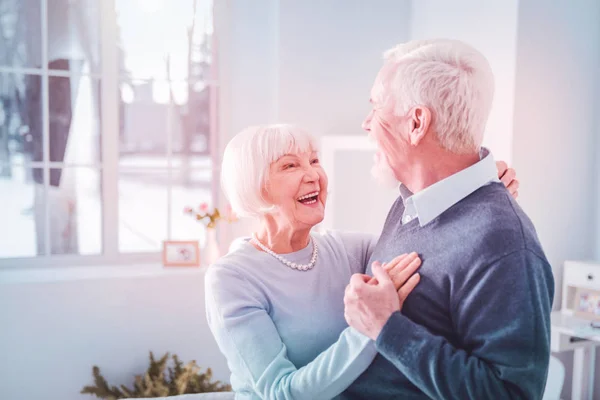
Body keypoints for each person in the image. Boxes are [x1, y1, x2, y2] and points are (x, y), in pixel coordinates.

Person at [205, 123, 519, 399]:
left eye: (314, 160)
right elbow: (282, 393)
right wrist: (373, 325)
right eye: (290, 166)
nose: (313, 174)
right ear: (256, 187)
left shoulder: (350, 249)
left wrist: (475, 196)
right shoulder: (232, 278)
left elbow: (428, 250)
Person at [342, 39, 554, 399]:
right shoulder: (410, 205)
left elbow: (509, 394)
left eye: (376, 107)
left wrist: (388, 328)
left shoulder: (503, 243)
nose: (366, 123)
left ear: (417, 123)